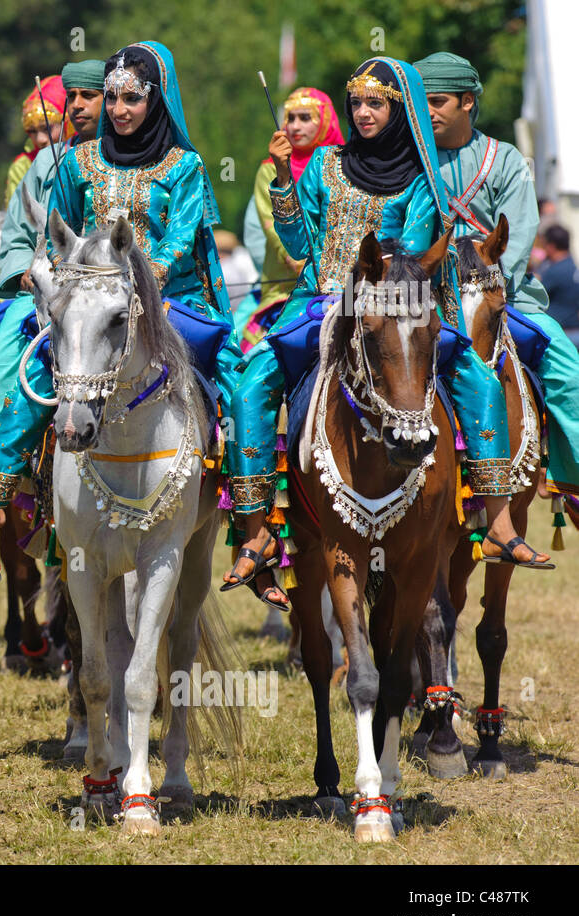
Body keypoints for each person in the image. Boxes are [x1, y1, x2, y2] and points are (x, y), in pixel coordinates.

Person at [225, 57, 550, 610]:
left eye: (376, 103)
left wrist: (373, 290)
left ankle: (496, 517)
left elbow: (416, 256)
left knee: (477, 374)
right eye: (356, 103)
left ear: (399, 110)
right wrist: (284, 182)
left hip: (394, 304)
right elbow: (301, 244)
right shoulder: (325, 164)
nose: (364, 112)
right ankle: (256, 531)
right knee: (251, 380)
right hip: (318, 302)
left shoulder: (421, 183)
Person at [0, 43, 241, 580]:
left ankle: (253, 530)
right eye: (112, 98)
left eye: (132, 99)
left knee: (237, 385)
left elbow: (177, 243)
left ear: (156, 100)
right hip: (90, 301)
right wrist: (67, 280)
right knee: (29, 383)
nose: (119, 110)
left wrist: (136, 282)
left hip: (170, 302)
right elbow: (61, 233)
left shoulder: (187, 166)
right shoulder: (77, 162)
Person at [416, 51, 579, 499]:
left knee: (569, 371)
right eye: (420, 100)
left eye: (439, 101)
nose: (427, 111)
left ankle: (571, 477)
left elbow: (520, 231)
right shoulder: (410, 159)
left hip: (501, 294)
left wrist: (487, 284)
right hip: (428, 295)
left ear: (468, 102)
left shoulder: (504, 159)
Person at [0, 59, 104, 451]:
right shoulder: (45, 161)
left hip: (106, 290)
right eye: (71, 97)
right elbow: (15, 232)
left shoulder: (126, 161)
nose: (77, 105)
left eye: (89, 96)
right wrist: (23, 273)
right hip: (44, 290)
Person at [245, 87, 343, 348]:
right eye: (290, 118)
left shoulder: (344, 166)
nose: (295, 126)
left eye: (305, 118)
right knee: (244, 370)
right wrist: (308, 272)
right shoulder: (270, 170)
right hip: (284, 292)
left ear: (325, 121)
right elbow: (275, 232)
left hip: (345, 289)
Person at [4, 76, 69, 205]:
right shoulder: (23, 166)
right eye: (32, 131)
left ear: (67, 123)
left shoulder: (87, 156)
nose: (40, 140)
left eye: (47, 128)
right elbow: (16, 218)